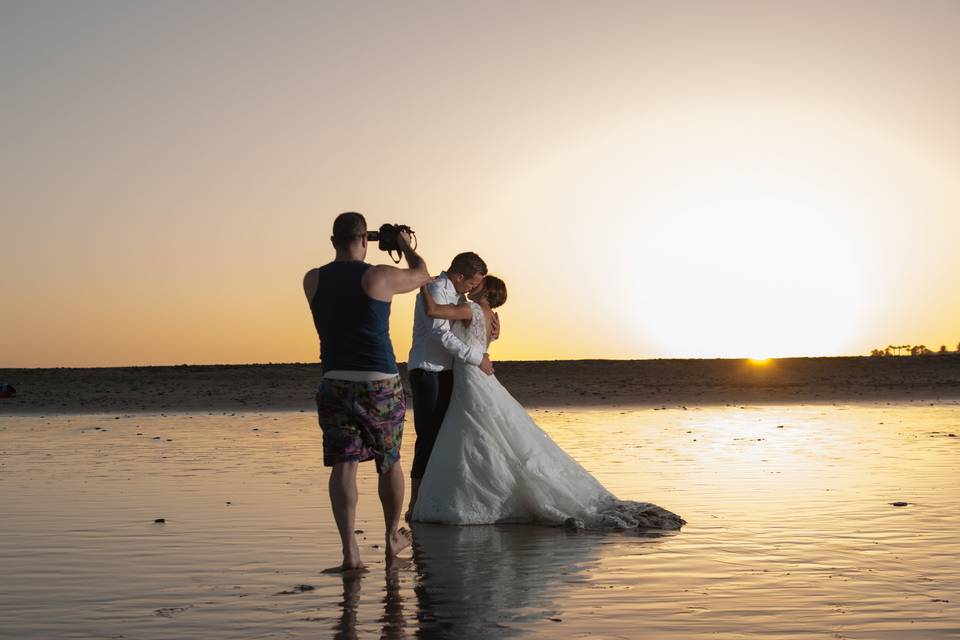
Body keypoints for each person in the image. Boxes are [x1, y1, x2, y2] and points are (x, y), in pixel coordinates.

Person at [410, 275, 686, 531]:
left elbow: (434, 311)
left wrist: (421, 281)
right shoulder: (491, 317)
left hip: (469, 374)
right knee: (483, 429)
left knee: (474, 430)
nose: (473, 286)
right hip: (474, 373)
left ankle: (470, 492)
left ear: (487, 290)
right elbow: (485, 338)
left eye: (480, 284)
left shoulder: (471, 310)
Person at [303, 212, 431, 572]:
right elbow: (423, 274)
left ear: (333, 242)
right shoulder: (377, 275)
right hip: (379, 383)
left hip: (334, 381)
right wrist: (403, 242)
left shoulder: (312, 279)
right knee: (388, 462)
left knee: (343, 467)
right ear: (365, 239)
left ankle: (350, 553)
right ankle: (392, 538)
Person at [404, 252, 498, 519]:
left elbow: (466, 329)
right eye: (471, 284)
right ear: (459, 276)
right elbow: (441, 334)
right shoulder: (435, 289)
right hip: (428, 371)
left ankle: (439, 498)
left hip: (448, 372)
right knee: (428, 438)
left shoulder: (458, 297)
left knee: (446, 437)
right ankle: (415, 504)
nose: (472, 289)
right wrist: (477, 357)